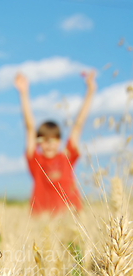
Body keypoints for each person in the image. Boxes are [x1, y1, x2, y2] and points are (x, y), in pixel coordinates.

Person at [14, 70, 96, 215]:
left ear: (59, 141)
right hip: (42, 220)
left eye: (53, 139)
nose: (49, 144)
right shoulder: (36, 161)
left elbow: (78, 124)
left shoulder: (67, 157)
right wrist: (23, 93)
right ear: (38, 143)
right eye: (43, 140)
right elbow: (29, 127)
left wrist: (90, 91)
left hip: (71, 217)